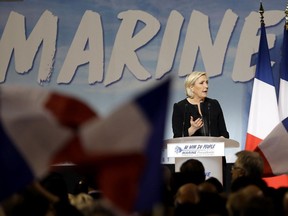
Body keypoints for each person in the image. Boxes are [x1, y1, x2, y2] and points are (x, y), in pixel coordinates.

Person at [172, 71, 229, 138]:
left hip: (213, 148)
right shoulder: (180, 107)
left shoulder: (214, 104)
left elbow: (224, 133)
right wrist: (192, 129)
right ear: (191, 87)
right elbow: (177, 136)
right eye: (201, 83)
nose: (206, 86)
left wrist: (220, 140)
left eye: (207, 82)